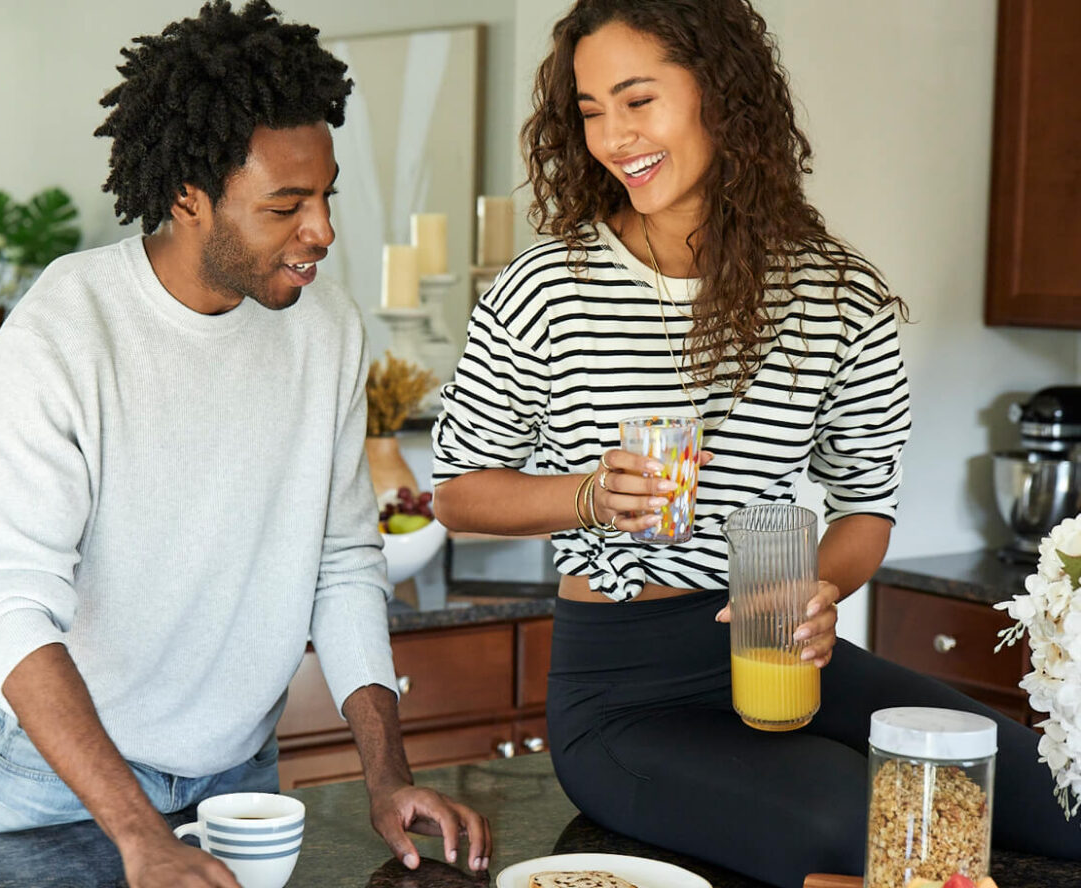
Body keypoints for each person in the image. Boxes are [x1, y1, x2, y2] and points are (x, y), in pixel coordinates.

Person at [430, 0, 1080, 885]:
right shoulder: (544, 290)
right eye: (590, 111)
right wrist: (587, 495)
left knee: (1055, 793)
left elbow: (865, 508)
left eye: (638, 100)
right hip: (624, 691)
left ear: (721, 94)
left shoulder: (837, 296)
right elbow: (458, 493)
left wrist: (822, 589)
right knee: (858, 819)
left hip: (779, 653)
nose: (614, 137)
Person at [0, 3, 490, 886]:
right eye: (286, 206)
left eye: (326, 196)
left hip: (241, 787)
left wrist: (387, 774)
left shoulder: (325, 329)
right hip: (68, 788)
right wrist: (141, 835)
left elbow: (343, 561)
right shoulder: (66, 328)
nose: (322, 232)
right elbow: (8, 607)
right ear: (188, 197)